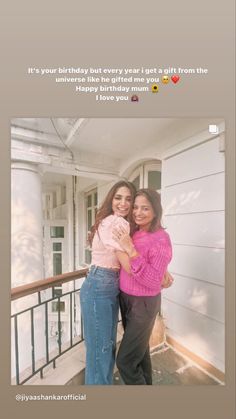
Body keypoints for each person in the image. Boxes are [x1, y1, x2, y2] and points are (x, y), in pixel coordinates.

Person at [112, 188, 173, 385]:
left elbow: (153, 280)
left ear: (156, 211)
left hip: (144, 303)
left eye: (145, 208)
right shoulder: (136, 232)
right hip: (127, 298)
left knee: (125, 361)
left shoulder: (161, 239)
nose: (138, 212)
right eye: (136, 207)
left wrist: (130, 250)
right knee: (140, 353)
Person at [80, 180, 136, 385]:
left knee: (105, 346)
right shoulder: (115, 222)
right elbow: (129, 265)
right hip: (100, 284)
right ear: (111, 199)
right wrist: (151, 273)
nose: (123, 203)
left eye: (128, 199)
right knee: (100, 349)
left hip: (105, 284)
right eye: (118, 198)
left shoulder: (115, 222)